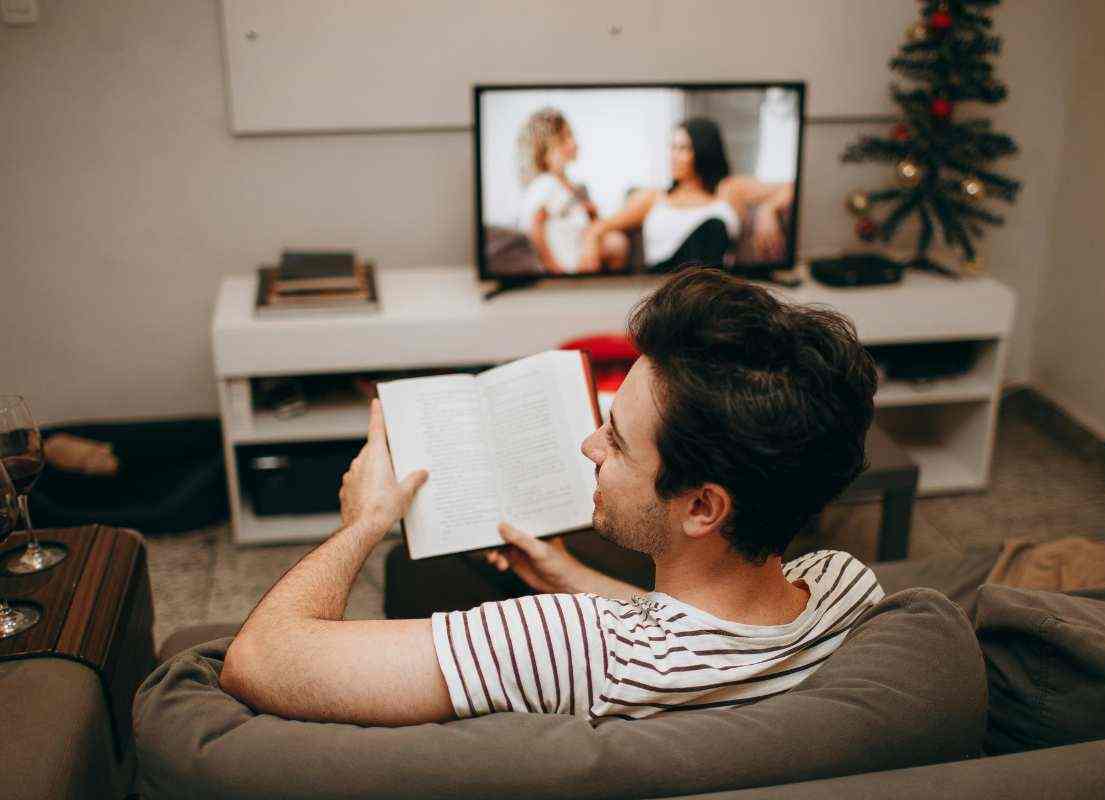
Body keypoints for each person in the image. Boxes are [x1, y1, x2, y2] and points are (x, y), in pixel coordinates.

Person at [219, 267, 882, 727]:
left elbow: (258, 662)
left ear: (702, 508)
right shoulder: (850, 591)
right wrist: (571, 575)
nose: (590, 446)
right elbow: (700, 636)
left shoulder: (571, 645)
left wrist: (361, 526)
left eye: (618, 442)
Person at [585, 118, 794, 273]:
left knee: (714, 227)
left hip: (710, 288)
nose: (673, 156)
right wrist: (592, 243)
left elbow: (792, 186)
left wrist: (769, 209)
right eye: (672, 148)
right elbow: (600, 227)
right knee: (714, 226)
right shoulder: (653, 198)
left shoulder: (729, 189)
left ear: (703, 150)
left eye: (683, 148)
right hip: (664, 283)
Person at [516, 107, 629, 274]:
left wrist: (589, 212)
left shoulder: (568, 187)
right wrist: (553, 269)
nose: (574, 142)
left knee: (617, 242)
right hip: (565, 267)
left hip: (579, 261)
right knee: (617, 243)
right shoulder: (545, 183)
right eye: (565, 137)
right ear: (546, 148)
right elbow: (535, 229)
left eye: (571, 135)